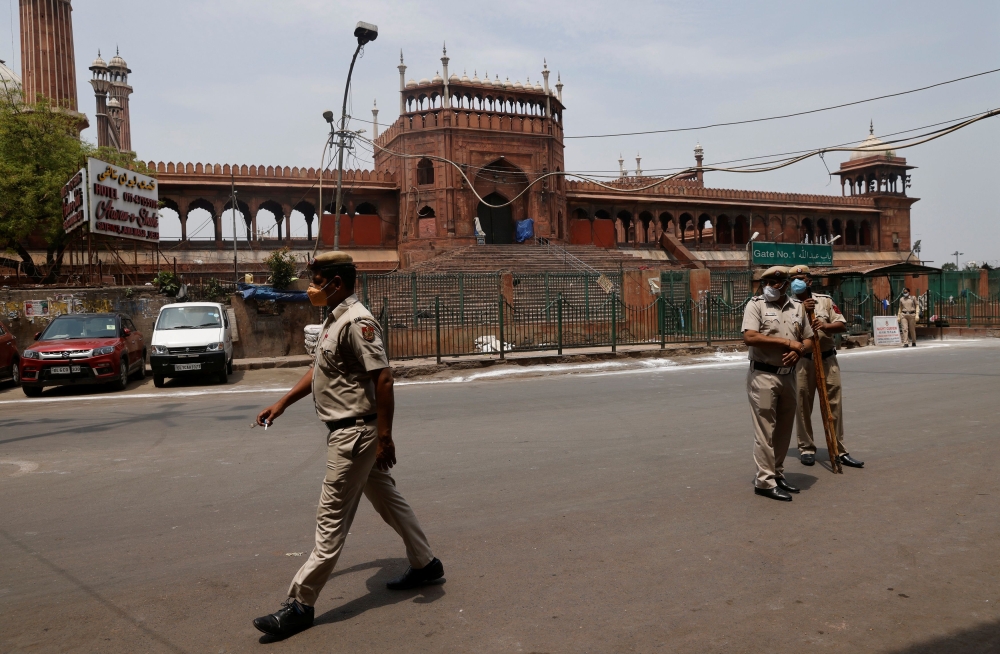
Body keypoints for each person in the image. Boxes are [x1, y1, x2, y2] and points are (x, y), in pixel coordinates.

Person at [252, 251, 443, 639]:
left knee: (330, 520)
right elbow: (319, 368)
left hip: (354, 434)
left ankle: (300, 603)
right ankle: (425, 564)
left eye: (316, 279)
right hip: (352, 430)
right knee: (389, 501)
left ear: (336, 283)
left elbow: (384, 379)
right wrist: (283, 403)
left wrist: (385, 438)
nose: (311, 287)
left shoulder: (358, 322)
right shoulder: (334, 319)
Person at [742, 266, 814, 502]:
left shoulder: (797, 308)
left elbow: (809, 339)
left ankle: (777, 473)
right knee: (765, 428)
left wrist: (799, 351)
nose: (771, 287)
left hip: (788, 378)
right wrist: (787, 343)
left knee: (784, 428)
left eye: (776, 284)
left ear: (785, 285)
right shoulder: (756, 305)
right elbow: (750, 337)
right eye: (768, 283)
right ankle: (764, 481)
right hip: (763, 378)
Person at [788, 265, 864, 469]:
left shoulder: (825, 301)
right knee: (803, 403)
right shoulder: (787, 305)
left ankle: (839, 448)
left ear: (809, 281)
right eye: (793, 279)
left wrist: (824, 326)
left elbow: (841, 325)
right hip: (804, 360)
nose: (797, 282)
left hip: (828, 359)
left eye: (801, 278)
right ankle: (806, 448)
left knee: (834, 404)